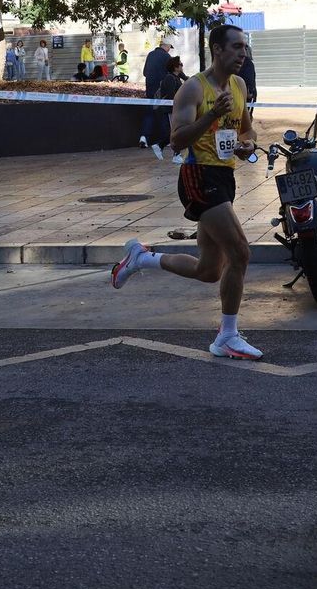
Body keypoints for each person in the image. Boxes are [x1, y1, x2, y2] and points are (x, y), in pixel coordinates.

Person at [112, 24, 262, 361]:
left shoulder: (238, 85)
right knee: (240, 253)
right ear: (217, 49)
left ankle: (142, 258)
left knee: (210, 271)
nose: (243, 54)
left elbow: (247, 127)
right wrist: (212, 114)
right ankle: (227, 336)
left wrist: (246, 143)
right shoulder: (193, 89)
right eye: (236, 47)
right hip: (197, 175)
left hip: (224, 177)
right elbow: (176, 141)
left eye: (245, 48)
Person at [150, 55, 186, 160]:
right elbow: (172, 95)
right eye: (180, 64)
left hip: (176, 108)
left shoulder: (175, 77)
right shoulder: (170, 78)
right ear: (175, 67)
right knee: (175, 132)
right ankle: (175, 154)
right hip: (171, 109)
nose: (182, 66)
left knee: (175, 131)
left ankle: (161, 146)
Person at [139, 39, 175, 146]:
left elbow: (145, 72)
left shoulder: (150, 55)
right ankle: (165, 140)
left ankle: (144, 137)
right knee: (163, 113)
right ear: (166, 46)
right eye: (169, 47)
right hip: (161, 91)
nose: (169, 50)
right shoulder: (167, 57)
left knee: (149, 113)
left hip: (150, 89)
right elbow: (172, 74)